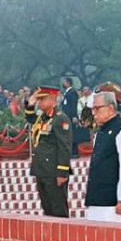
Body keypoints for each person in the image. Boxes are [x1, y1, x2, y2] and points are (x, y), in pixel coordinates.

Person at [84, 91, 121, 224]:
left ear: (111, 108)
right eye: (92, 109)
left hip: (114, 200)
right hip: (98, 196)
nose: (94, 113)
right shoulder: (100, 132)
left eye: (97, 108)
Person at [24, 86, 73, 218]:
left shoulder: (60, 119)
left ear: (53, 100)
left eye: (43, 99)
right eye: (39, 100)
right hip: (42, 169)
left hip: (53, 171)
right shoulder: (43, 117)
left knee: (58, 209)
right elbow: (31, 120)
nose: (40, 103)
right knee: (48, 208)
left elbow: (64, 147)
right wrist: (30, 105)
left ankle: (63, 236)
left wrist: (62, 172)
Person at [61, 77, 81, 159]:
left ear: (68, 83)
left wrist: (74, 116)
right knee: (67, 134)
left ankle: (74, 152)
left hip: (70, 117)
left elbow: (73, 105)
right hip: (66, 117)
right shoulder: (66, 93)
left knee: (72, 134)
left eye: (64, 82)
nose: (63, 84)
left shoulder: (72, 92)